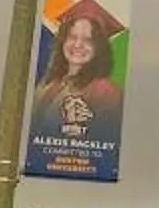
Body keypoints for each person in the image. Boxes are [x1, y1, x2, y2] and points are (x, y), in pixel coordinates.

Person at [28, 10, 125, 156]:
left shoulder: (106, 91)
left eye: (88, 40)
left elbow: (105, 137)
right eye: (72, 37)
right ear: (63, 41)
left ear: (99, 48)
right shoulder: (48, 85)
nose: (78, 44)